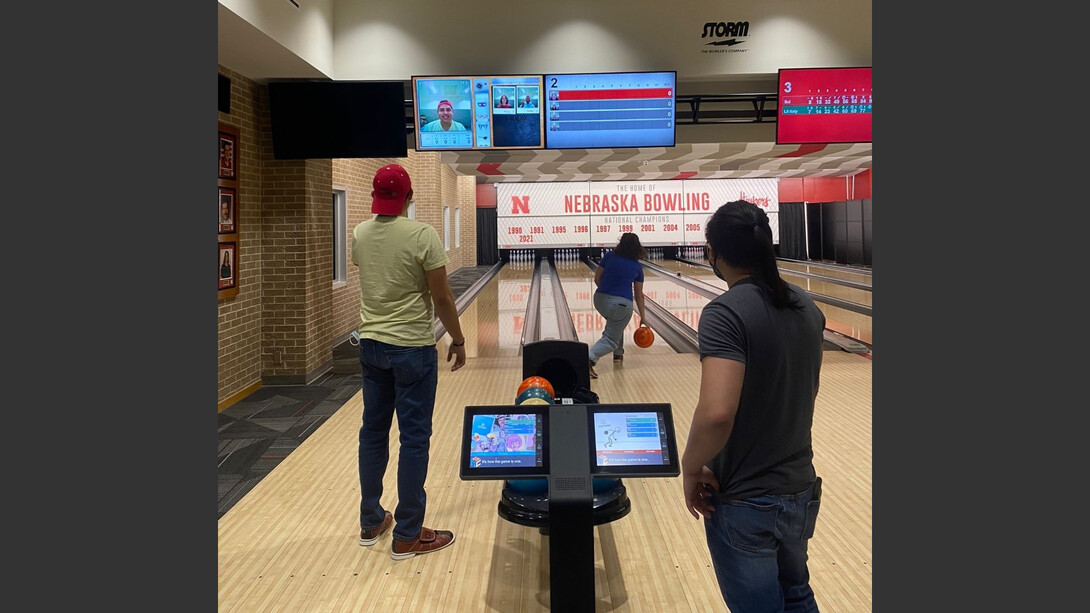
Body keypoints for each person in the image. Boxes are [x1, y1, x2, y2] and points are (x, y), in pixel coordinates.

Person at [681, 200, 826, 613]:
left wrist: (692, 467)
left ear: (714, 253)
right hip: (799, 489)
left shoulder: (725, 313)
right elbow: (805, 393)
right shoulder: (806, 305)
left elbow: (717, 413)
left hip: (745, 498)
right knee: (797, 595)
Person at [352, 163, 467, 560]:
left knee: (373, 433)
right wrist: (458, 338)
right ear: (409, 197)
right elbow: (442, 299)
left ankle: (371, 521)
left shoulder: (360, 233)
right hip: (412, 350)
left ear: (374, 198)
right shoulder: (423, 235)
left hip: (370, 346)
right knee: (414, 438)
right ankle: (408, 534)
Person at [587, 232, 648, 379]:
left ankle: (618, 354)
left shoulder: (609, 256)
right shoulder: (636, 267)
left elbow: (597, 279)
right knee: (610, 339)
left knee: (615, 322)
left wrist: (607, 294)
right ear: (637, 248)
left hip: (600, 300)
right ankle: (587, 359)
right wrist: (643, 317)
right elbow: (639, 295)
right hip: (622, 304)